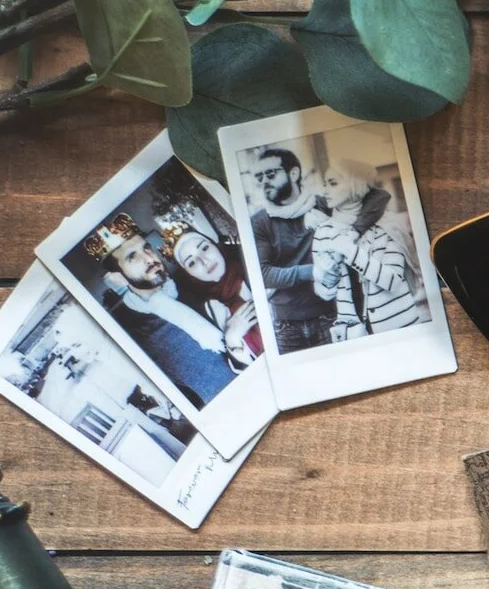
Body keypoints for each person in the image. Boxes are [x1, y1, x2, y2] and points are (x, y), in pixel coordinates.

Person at [81, 212, 236, 405]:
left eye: (146, 248)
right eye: (132, 257)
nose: (149, 258)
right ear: (118, 278)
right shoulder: (140, 335)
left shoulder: (190, 279)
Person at [243, 146, 334, 352]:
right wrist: (312, 271)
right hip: (286, 326)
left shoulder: (323, 205)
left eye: (271, 174)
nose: (264, 181)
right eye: (259, 177)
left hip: (330, 314)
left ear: (293, 173)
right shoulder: (259, 222)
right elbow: (263, 274)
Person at [313, 180, 428, 338]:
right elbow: (324, 293)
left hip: (399, 328)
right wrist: (328, 276)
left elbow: (392, 281)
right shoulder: (323, 231)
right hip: (354, 335)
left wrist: (350, 250)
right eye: (324, 183)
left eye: (333, 183)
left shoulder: (387, 225)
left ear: (356, 186)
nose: (324, 190)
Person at [158, 203, 262, 367]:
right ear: (189, 274)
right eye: (191, 262)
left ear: (215, 245)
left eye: (205, 248)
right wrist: (232, 340)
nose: (204, 261)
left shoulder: (256, 260)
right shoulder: (208, 310)